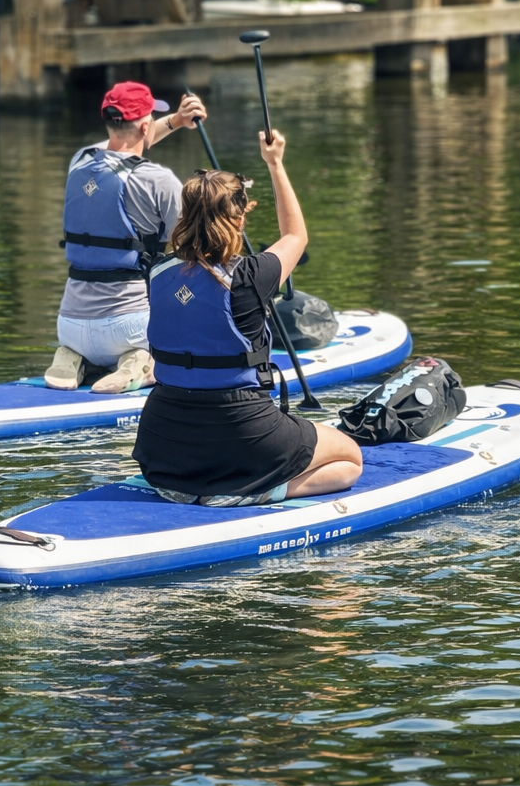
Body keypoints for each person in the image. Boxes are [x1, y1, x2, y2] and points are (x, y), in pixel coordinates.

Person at [132, 129, 363, 506]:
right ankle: (251, 492)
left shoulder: (156, 271)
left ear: (184, 215)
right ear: (239, 220)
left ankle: (202, 487)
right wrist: (275, 163)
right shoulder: (251, 275)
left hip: (162, 445)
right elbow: (295, 235)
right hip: (242, 430)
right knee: (349, 459)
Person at [45, 82, 208, 393]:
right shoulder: (159, 181)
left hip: (69, 324)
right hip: (129, 328)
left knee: (81, 338)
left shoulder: (80, 160)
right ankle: (141, 360)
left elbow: (121, 148)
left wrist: (175, 121)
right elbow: (196, 246)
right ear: (146, 125)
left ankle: (74, 357)